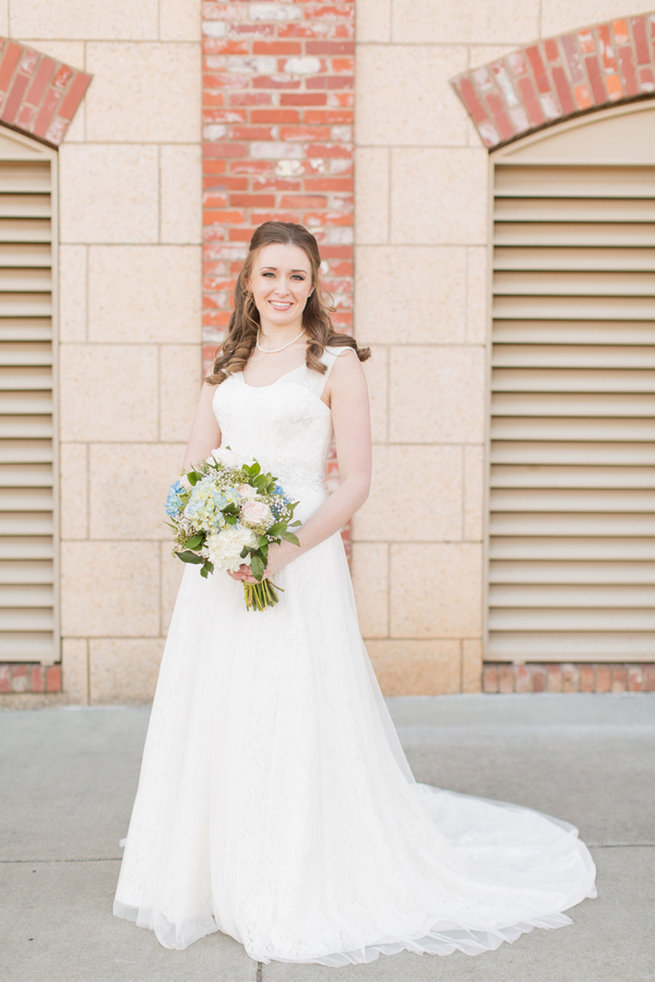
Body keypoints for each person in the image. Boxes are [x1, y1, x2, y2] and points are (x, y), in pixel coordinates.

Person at [113, 221, 597, 966]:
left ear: (314, 284)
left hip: (298, 562)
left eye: (296, 277)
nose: (282, 289)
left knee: (292, 704)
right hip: (223, 570)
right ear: (246, 282)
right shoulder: (225, 368)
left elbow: (356, 482)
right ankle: (215, 865)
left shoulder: (334, 364)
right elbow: (192, 467)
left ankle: (291, 869)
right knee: (220, 703)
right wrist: (202, 527)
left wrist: (280, 549)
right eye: (268, 275)